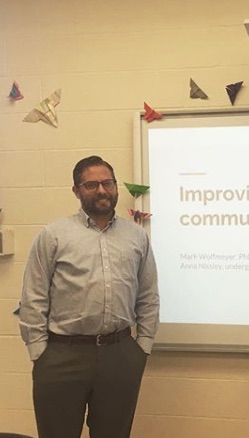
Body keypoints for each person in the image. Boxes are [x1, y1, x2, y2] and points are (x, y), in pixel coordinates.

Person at [19, 155, 160, 438]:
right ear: (76, 190)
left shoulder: (136, 237)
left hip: (119, 354)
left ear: (115, 186)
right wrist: (39, 351)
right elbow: (33, 296)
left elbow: (148, 295)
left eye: (107, 183)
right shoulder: (54, 235)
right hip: (61, 356)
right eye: (91, 184)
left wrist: (141, 347)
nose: (101, 190)